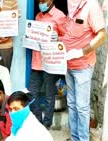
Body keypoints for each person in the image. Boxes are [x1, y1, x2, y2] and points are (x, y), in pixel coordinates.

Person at [62, 0, 107, 141]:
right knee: (72, 103)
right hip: (68, 64)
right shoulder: (71, 3)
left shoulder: (91, 5)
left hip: (83, 64)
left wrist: (82, 51)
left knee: (82, 106)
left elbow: (102, 35)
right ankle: (75, 138)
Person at [28, 0, 67, 129]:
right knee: (32, 93)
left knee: (50, 95)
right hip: (36, 61)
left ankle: (47, 124)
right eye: (40, 1)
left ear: (51, 1)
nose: (41, 3)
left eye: (44, 1)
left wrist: (58, 38)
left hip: (50, 62)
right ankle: (38, 121)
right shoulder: (38, 16)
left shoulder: (59, 16)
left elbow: (67, 37)